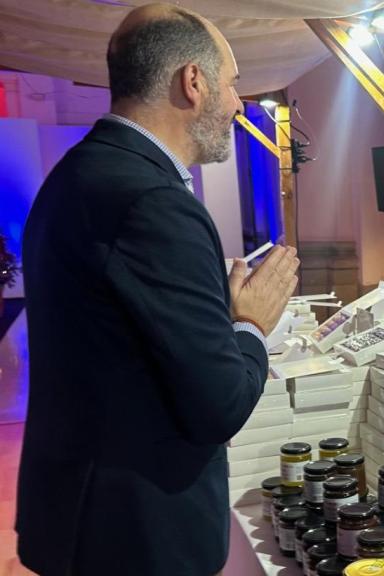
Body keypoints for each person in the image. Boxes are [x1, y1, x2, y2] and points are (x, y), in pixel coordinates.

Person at [17, 4, 299, 574]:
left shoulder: (83, 172)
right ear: (193, 82)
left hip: (80, 512)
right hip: (132, 534)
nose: (239, 105)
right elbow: (219, 405)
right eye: (234, 83)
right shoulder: (154, 201)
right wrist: (250, 325)